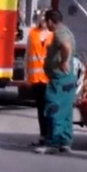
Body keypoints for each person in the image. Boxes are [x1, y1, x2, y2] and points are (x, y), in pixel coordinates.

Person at [35, 9, 77, 154]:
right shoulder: (66, 31)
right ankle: (65, 142)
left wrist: (63, 61)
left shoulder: (60, 34)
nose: (46, 25)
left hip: (59, 80)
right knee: (65, 112)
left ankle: (52, 142)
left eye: (47, 22)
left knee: (53, 108)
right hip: (67, 79)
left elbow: (65, 46)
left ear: (50, 21)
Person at [26, 9, 53, 146]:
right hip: (36, 77)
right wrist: (27, 76)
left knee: (50, 108)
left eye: (45, 18)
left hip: (49, 78)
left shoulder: (53, 35)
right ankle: (43, 135)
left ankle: (51, 136)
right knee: (40, 108)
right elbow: (27, 56)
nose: (42, 21)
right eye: (40, 18)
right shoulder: (32, 34)